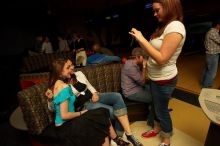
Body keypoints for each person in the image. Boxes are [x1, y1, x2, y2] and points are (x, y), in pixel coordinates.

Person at [46, 58, 143, 146]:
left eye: (72, 65)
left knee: (117, 96)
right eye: (68, 66)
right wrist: (50, 98)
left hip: (92, 97)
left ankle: (126, 134)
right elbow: (54, 107)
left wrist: (95, 93)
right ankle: (117, 137)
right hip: (84, 105)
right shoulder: (61, 85)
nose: (72, 67)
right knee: (110, 111)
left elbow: (89, 85)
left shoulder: (78, 74)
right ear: (60, 71)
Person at [129, 0, 186, 146]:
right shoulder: (163, 26)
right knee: (154, 105)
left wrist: (142, 38)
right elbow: (152, 51)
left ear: (169, 7)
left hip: (164, 79)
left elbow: (162, 59)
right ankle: (156, 128)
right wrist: (141, 43)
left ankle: (166, 139)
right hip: (155, 78)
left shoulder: (176, 26)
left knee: (161, 110)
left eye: (157, 10)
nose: (154, 14)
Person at [201, 18, 220, 88]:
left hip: (209, 54)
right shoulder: (213, 32)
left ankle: (203, 83)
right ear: (218, 25)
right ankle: (206, 86)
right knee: (212, 71)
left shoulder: (210, 31)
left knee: (206, 69)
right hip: (212, 55)